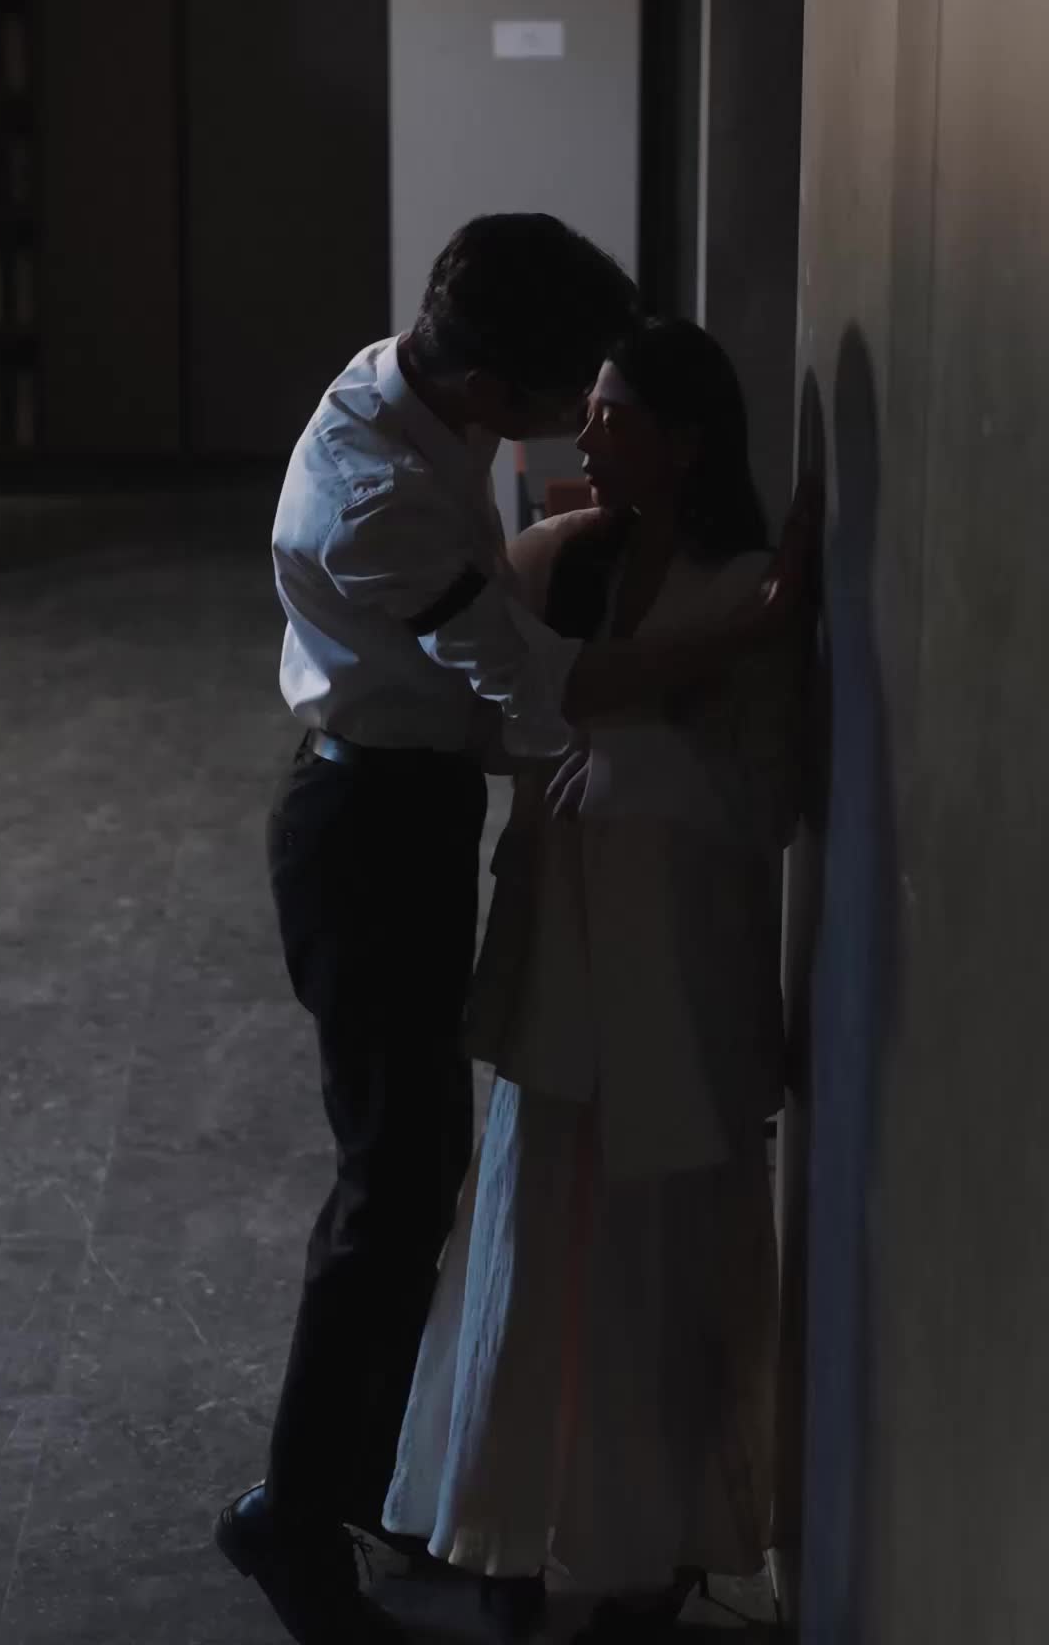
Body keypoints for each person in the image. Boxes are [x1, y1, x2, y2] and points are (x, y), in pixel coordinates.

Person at [214, 218, 813, 1645]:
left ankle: (361, 1480)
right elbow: (545, 693)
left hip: (407, 808)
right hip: (366, 833)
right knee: (390, 1189)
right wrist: (752, 624)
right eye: (568, 399)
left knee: (419, 1169)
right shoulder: (378, 495)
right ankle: (292, 1518)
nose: (577, 432)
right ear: (492, 390)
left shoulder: (411, 389)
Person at [381, 318, 809, 1641]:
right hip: (564, 956)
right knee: (528, 1238)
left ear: (684, 440)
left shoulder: (744, 587)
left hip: (675, 971)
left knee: (653, 1271)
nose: (587, 433)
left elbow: (771, 798)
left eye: (614, 414)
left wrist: (641, 768)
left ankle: (653, 1546)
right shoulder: (572, 562)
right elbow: (496, 696)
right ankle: (509, 1531)